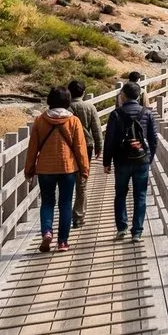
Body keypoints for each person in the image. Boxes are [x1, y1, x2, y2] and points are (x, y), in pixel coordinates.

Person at [24, 86, 90, 253]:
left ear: (50, 100)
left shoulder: (40, 120)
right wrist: (84, 169)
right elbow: (80, 148)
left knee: (47, 202)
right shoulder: (73, 121)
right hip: (68, 168)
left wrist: (29, 169)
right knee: (65, 204)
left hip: (45, 169)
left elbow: (33, 148)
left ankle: (47, 232)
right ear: (67, 101)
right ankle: (62, 242)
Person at [103, 81, 159, 241]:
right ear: (139, 95)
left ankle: (122, 228)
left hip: (121, 160)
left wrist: (106, 162)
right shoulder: (146, 113)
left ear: (123, 96)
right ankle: (137, 232)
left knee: (120, 194)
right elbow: (153, 139)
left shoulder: (116, 114)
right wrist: (150, 157)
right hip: (141, 159)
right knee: (140, 195)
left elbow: (110, 140)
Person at [67, 80, 103, 228]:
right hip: (86, 146)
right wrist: (99, 146)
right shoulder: (89, 107)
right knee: (82, 182)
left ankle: (66, 213)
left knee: (68, 180)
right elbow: (96, 129)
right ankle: (79, 216)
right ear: (83, 92)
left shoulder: (66, 108)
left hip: (68, 147)